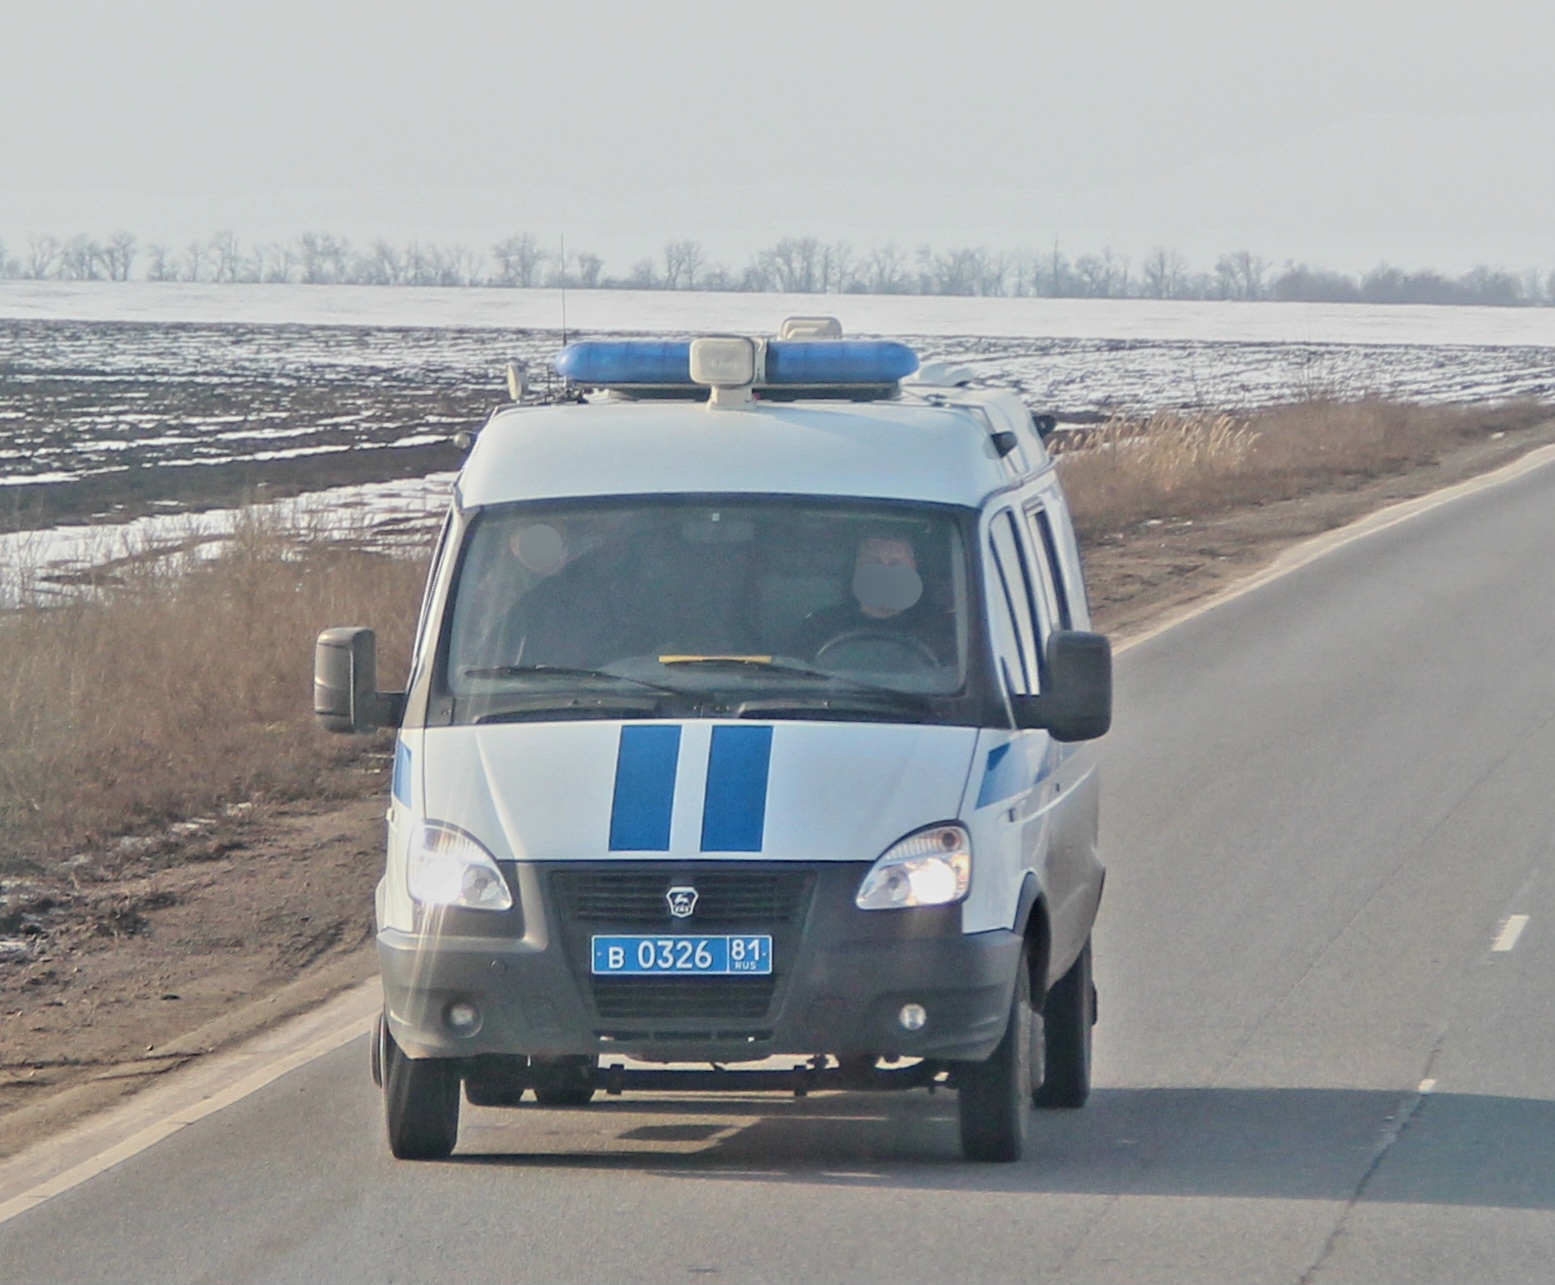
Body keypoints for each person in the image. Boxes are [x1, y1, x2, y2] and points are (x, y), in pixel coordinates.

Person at [791, 531, 954, 669]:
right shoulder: (820, 626)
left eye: (897, 564)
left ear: (916, 571)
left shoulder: (943, 629)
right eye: (873, 563)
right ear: (855, 570)